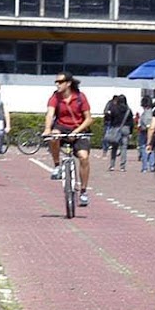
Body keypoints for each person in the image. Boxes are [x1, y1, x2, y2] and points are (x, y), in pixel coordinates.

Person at [43, 72, 94, 208]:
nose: (57, 84)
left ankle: (83, 191)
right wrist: (47, 128)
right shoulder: (55, 97)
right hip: (61, 127)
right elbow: (50, 113)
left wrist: (76, 132)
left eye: (60, 82)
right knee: (54, 136)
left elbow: (89, 119)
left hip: (79, 129)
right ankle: (57, 166)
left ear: (68, 83)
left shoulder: (80, 97)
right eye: (56, 82)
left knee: (84, 157)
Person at [103, 93, 133, 172]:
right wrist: (131, 132)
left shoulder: (114, 108)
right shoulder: (128, 110)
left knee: (114, 147)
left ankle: (112, 165)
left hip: (116, 128)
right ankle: (122, 166)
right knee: (124, 148)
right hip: (126, 128)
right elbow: (131, 122)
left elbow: (110, 119)